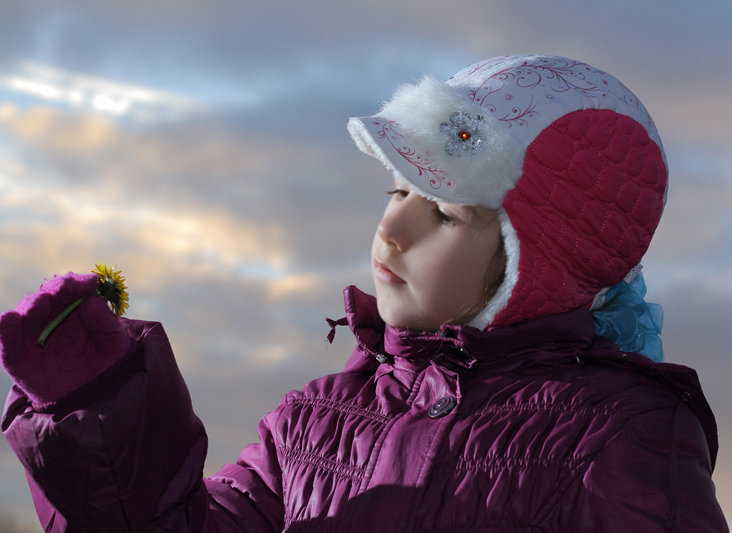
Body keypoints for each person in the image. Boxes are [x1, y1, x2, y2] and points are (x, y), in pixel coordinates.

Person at [1, 54, 728, 532]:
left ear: (530, 266)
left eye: (443, 211)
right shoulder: (312, 424)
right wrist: (99, 407)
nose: (393, 227)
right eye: (396, 188)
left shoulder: (615, 436)